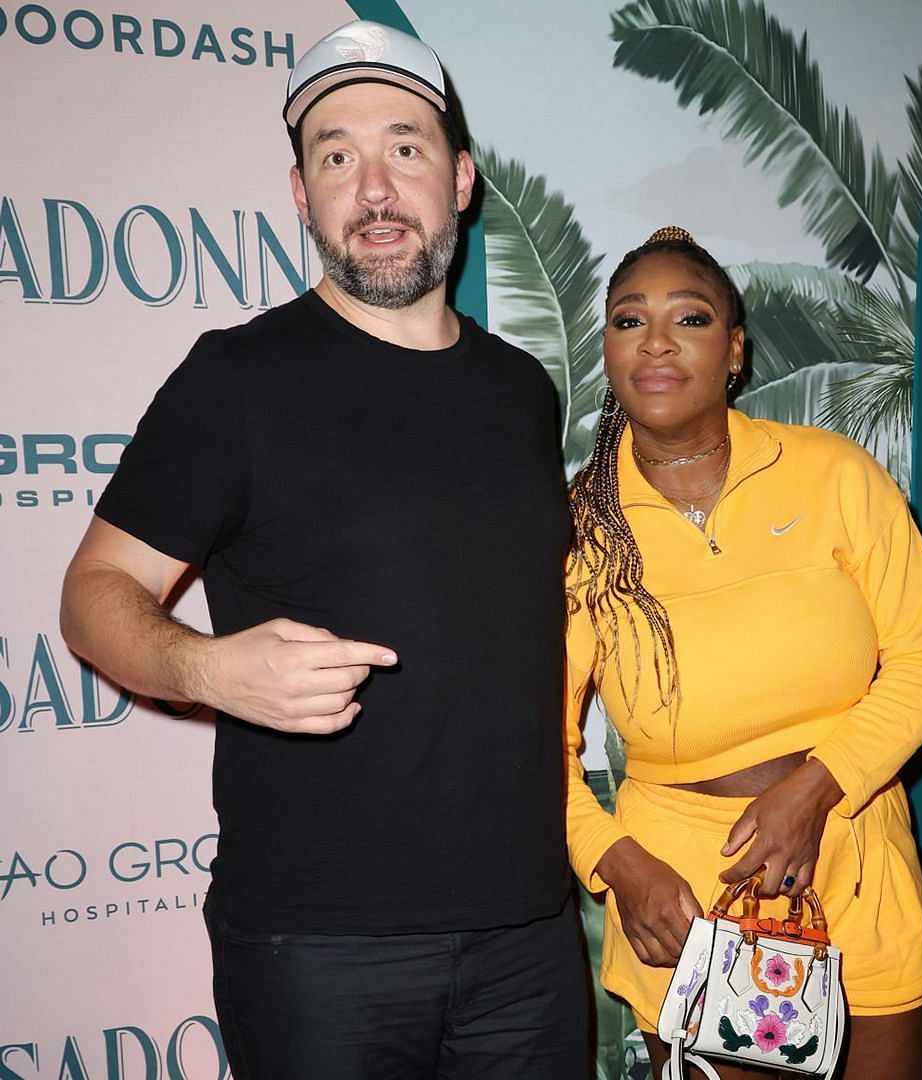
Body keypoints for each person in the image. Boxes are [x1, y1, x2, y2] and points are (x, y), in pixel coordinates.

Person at [58, 21, 587, 1079]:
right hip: (317, 948)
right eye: (336, 157)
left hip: (529, 932)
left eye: (406, 146)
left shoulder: (522, 389)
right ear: (302, 196)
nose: (375, 187)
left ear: (463, 178)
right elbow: (94, 594)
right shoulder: (235, 381)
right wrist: (206, 667)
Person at [561, 227, 922, 1078]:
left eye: (691, 318)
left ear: (735, 351)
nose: (658, 341)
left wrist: (814, 791)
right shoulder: (579, 530)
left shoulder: (834, 474)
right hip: (687, 903)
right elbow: (532, 747)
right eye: (630, 321)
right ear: (608, 350)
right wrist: (616, 865)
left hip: (857, 861)